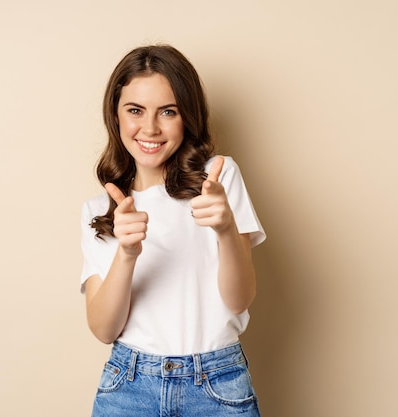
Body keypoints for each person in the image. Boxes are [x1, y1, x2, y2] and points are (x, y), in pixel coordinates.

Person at [80, 44, 266, 416]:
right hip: (128, 386)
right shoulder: (100, 210)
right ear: (115, 116)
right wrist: (127, 254)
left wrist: (227, 228)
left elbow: (239, 299)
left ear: (188, 117)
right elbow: (103, 329)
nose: (150, 128)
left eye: (168, 111)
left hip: (216, 384)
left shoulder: (217, 178)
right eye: (135, 110)